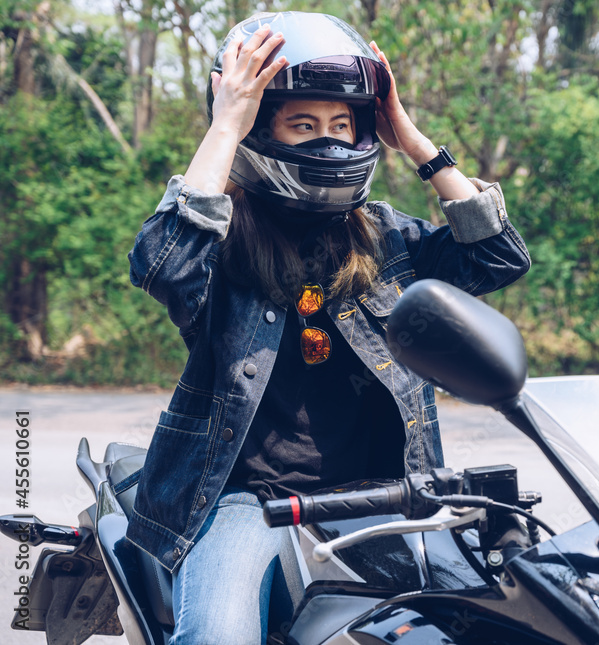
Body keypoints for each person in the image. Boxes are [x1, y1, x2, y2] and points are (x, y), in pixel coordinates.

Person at [125, 11, 530, 644]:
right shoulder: (224, 240)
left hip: (391, 499)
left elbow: (497, 257)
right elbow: (164, 264)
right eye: (305, 124)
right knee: (217, 637)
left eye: (344, 124)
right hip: (248, 502)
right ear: (262, 129)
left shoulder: (385, 236)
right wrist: (226, 121)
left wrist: (414, 141)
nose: (331, 142)